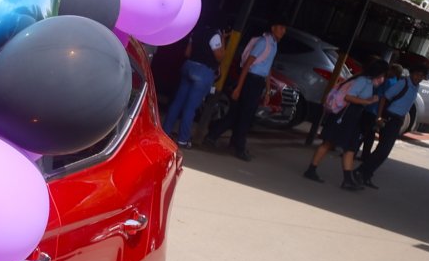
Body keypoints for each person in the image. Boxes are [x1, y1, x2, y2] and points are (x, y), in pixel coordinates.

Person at [207, 21, 285, 161]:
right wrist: (239, 87)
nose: (283, 31)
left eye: (284, 28)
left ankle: (214, 135)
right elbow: (248, 64)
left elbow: (268, 68)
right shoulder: (264, 42)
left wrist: (267, 91)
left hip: (257, 81)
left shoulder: (274, 44)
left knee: (238, 112)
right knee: (245, 115)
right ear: (273, 28)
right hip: (251, 80)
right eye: (280, 27)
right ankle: (239, 146)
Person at [303, 70, 379, 190]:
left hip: (352, 117)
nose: (382, 80)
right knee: (330, 142)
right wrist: (368, 101)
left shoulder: (364, 81)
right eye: (382, 76)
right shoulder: (363, 81)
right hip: (345, 116)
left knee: (350, 147)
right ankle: (312, 170)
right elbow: (349, 97)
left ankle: (347, 179)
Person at [356, 65, 422, 189]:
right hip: (390, 117)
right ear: (411, 73)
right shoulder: (403, 83)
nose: (419, 78)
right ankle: (361, 171)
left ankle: (366, 174)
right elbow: (384, 98)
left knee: (383, 151)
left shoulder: (416, 86)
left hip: (398, 120)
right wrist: (379, 116)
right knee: (383, 150)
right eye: (417, 74)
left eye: (422, 76)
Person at [161, 22, 218, 148]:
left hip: (188, 67)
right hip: (203, 72)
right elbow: (220, 56)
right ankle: (183, 139)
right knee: (190, 107)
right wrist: (223, 40)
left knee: (177, 102)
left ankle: (165, 132)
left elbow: (187, 53)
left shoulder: (195, 32)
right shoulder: (215, 35)